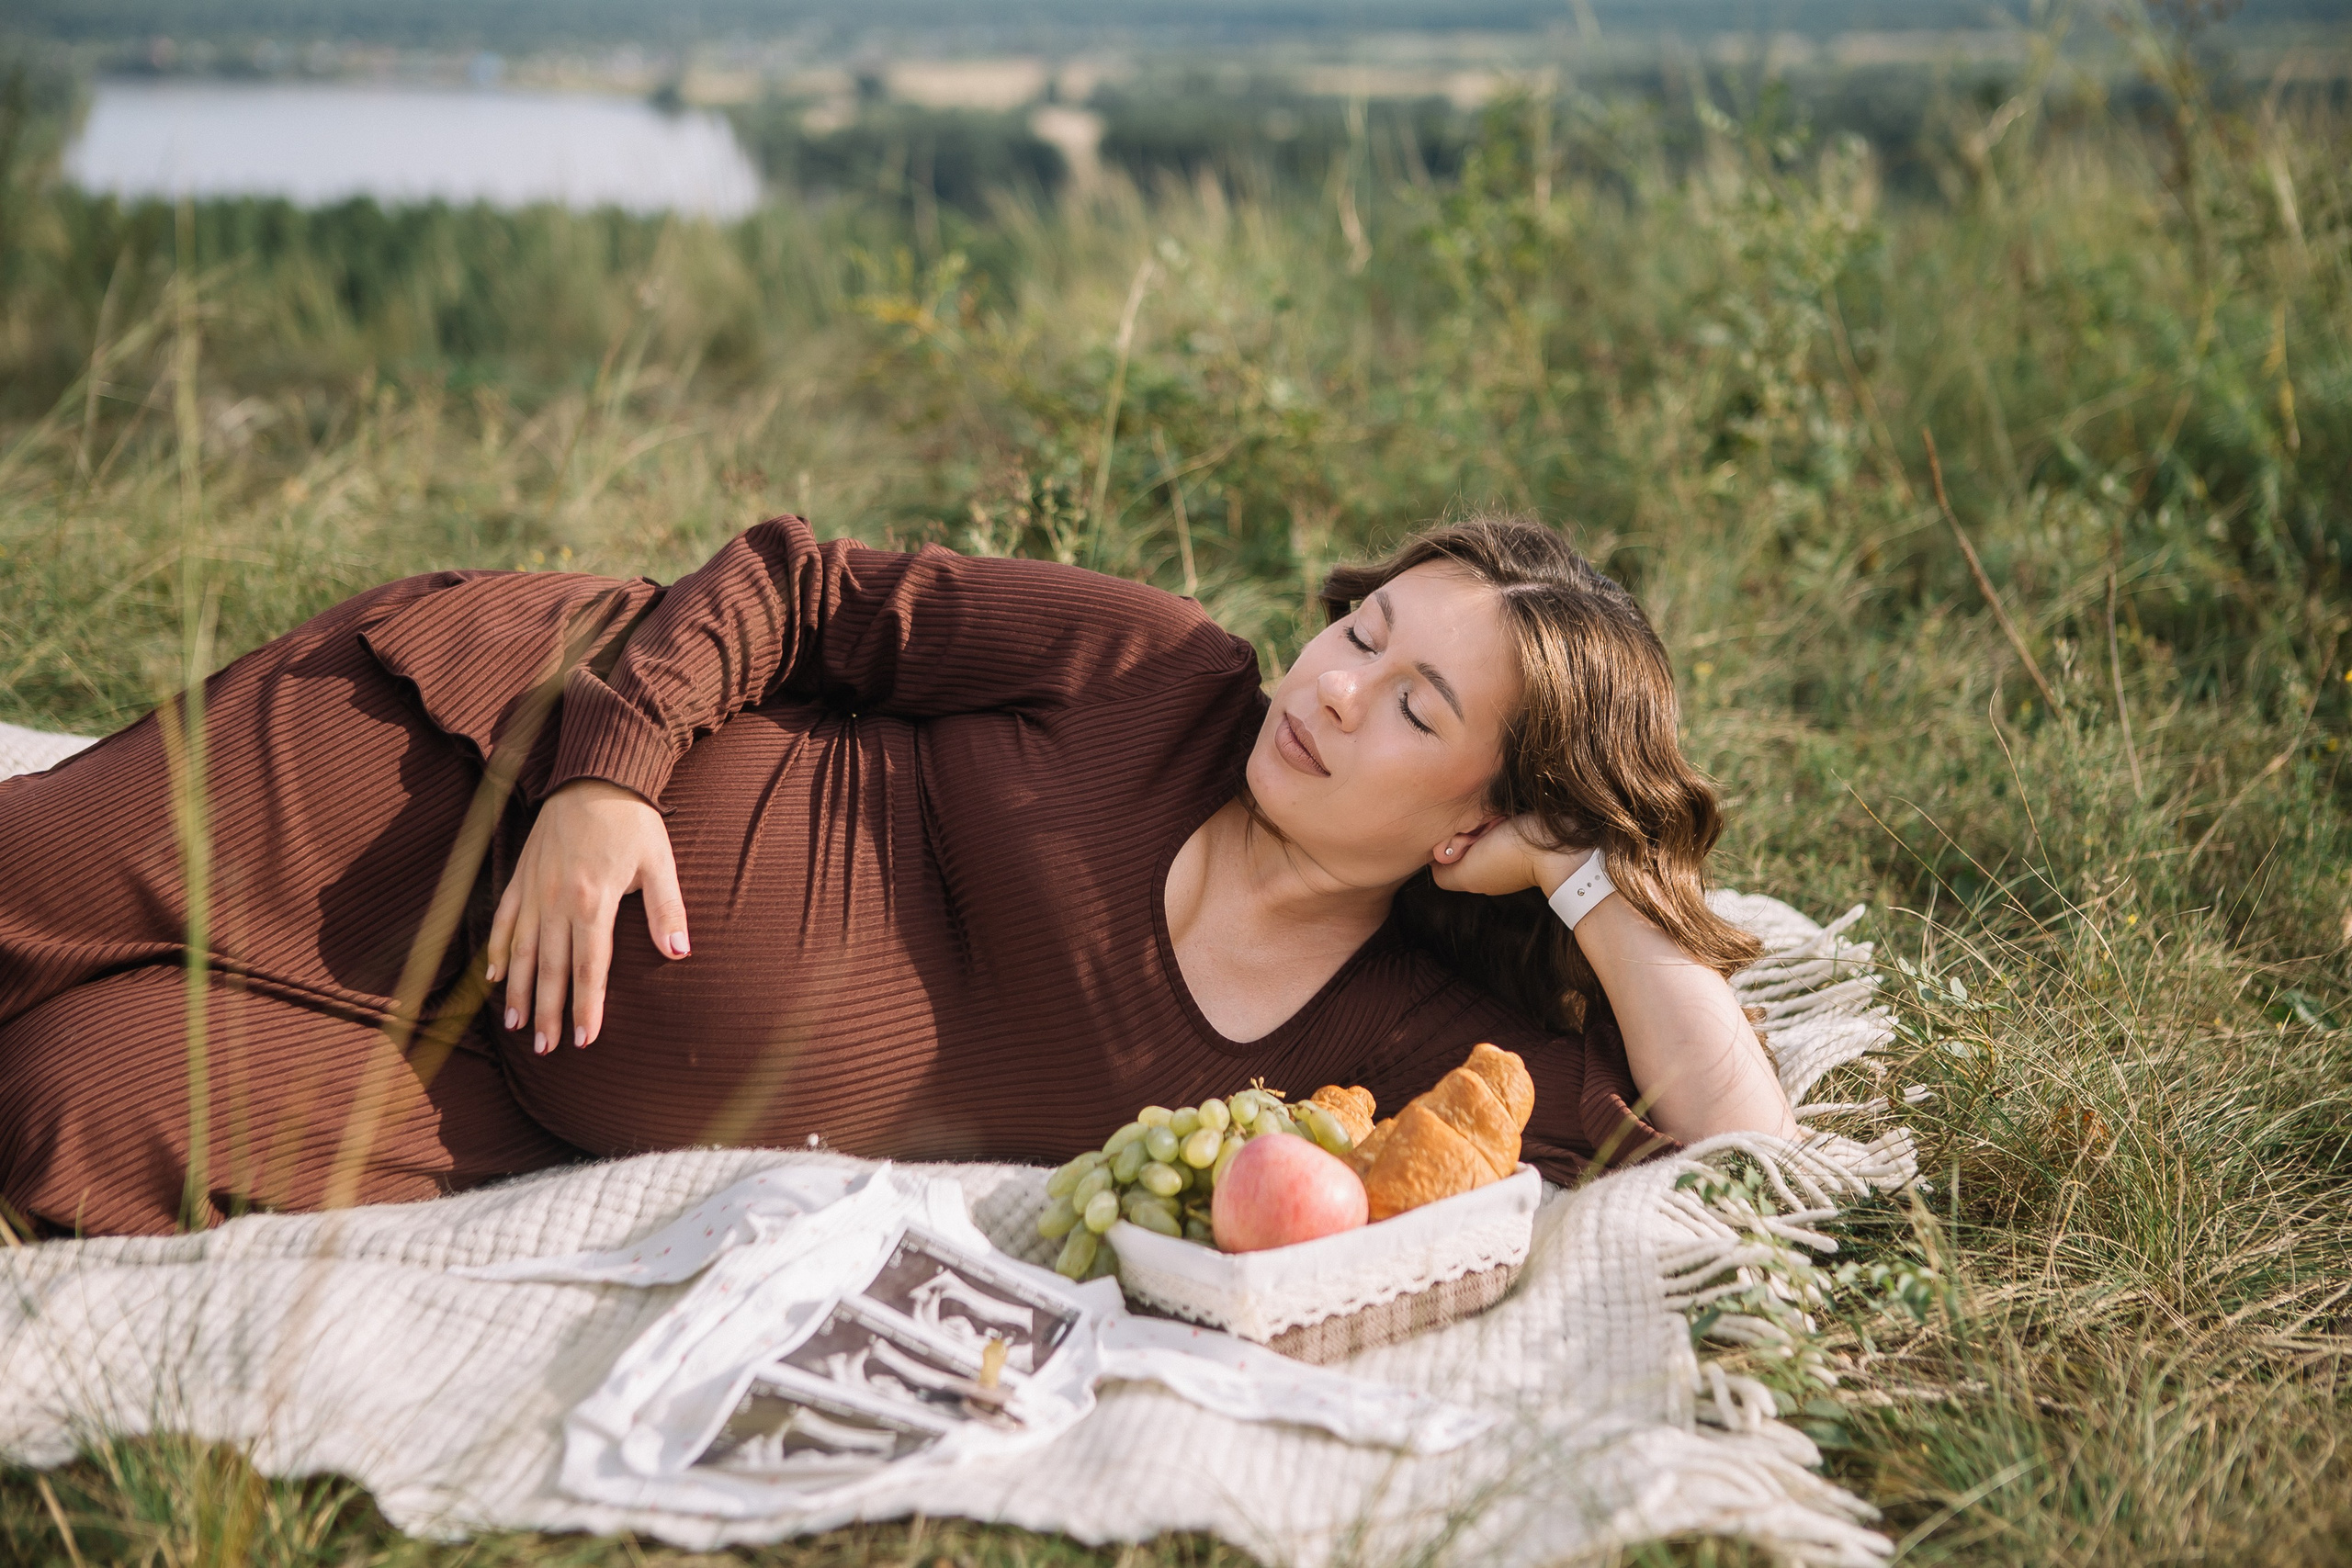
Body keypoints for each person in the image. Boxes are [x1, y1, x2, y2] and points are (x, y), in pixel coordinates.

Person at [0, 513, 1793, 1238]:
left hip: (490, 1101)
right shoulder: (1155, 673)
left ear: (1475, 828)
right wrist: (607, 786)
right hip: (451, 797)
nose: (1329, 680)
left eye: (1412, 701)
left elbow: (1737, 1156)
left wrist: (1599, 885)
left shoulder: (1388, 1041)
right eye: (1361, 625)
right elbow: (794, 578)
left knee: (63, 1101)